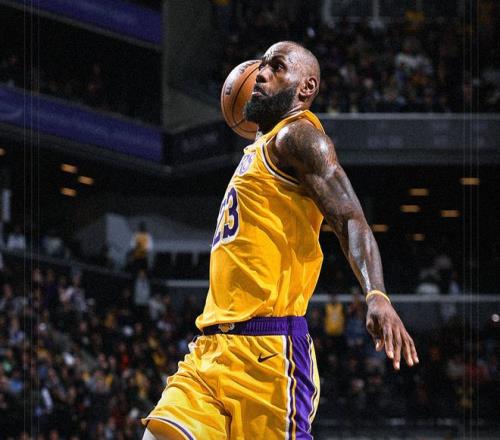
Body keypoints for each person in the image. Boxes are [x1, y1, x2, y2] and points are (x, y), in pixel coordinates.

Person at [142, 41, 419, 440]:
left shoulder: (299, 137)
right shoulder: (260, 148)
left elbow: (349, 217)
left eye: (276, 67)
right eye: (261, 66)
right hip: (210, 349)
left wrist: (376, 294)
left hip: (269, 354)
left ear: (306, 87)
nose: (261, 74)